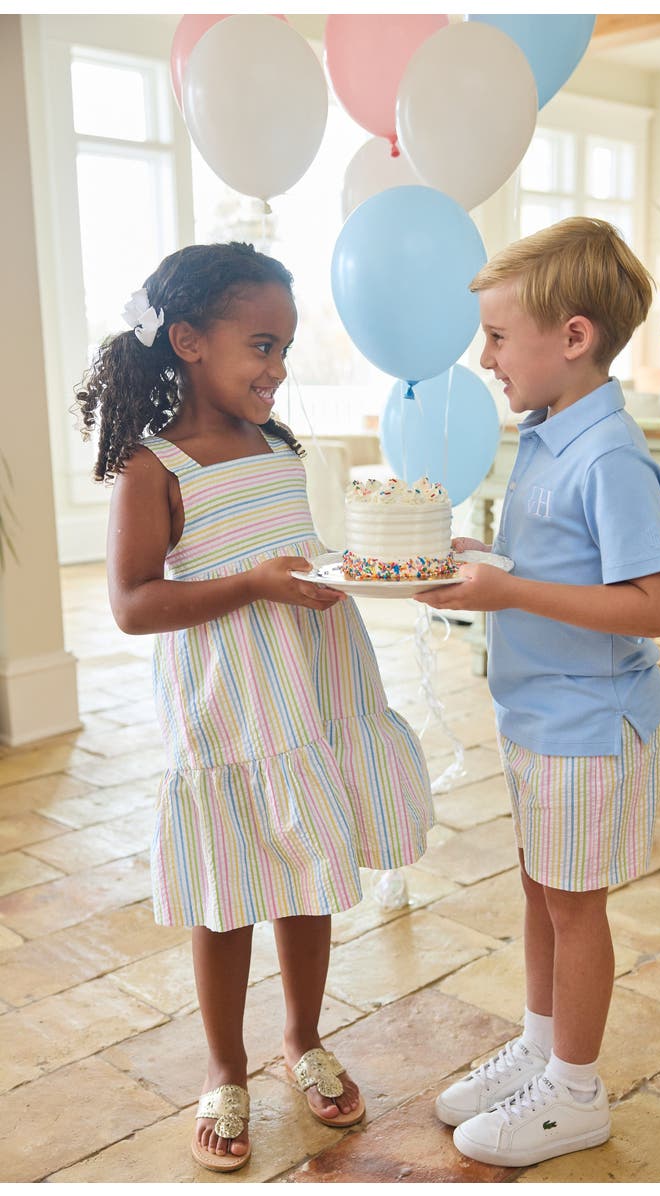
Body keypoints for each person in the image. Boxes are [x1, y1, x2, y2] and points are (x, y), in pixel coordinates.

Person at [75, 241, 433, 1173]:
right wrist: (254, 584)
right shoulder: (153, 468)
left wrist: (334, 574)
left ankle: (303, 1037)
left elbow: (292, 550)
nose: (279, 370)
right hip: (231, 710)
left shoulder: (276, 446)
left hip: (310, 688)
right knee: (231, 883)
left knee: (306, 860)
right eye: (263, 345)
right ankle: (225, 1065)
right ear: (187, 341)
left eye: (286, 349)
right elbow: (132, 604)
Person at [417, 217, 660, 1169]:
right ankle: (541, 1049)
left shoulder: (609, 453)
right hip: (539, 715)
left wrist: (509, 590)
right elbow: (560, 562)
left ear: (573, 337)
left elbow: (655, 605)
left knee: (575, 906)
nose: (482, 355)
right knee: (542, 888)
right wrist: (486, 562)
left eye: (496, 335)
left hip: (585, 725)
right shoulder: (548, 433)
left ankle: (575, 1092)